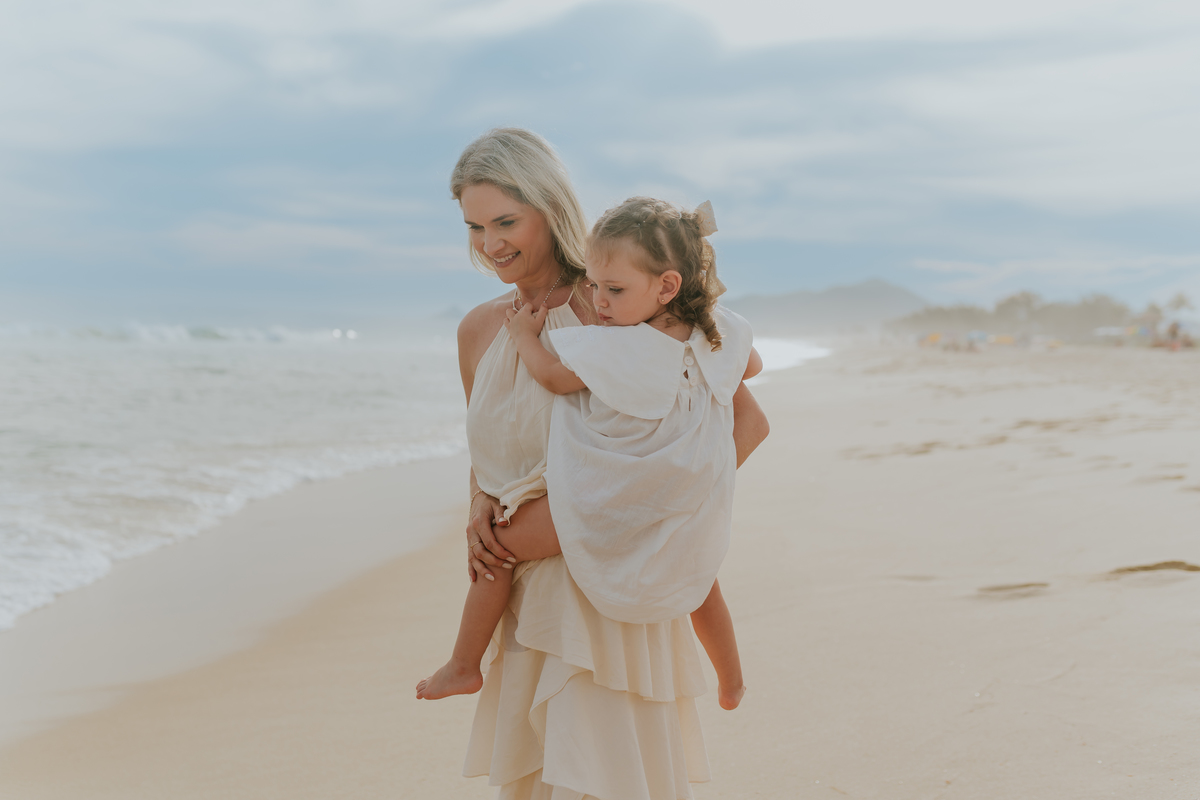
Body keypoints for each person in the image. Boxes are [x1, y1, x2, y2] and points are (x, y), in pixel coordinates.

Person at [416, 128, 770, 799]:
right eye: (475, 226)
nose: (491, 244)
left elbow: (740, 421)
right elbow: (488, 451)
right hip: (526, 593)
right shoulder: (479, 329)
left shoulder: (618, 307)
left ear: (550, 206)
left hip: (611, 587)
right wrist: (476, 508)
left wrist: (633, 506)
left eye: (506, 221)